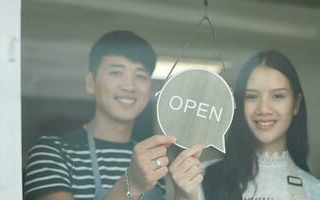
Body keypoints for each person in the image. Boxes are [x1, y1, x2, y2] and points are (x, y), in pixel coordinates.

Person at [23, 30, 203, 200]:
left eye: (140, 75)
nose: (129, 86)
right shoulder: (51, 153)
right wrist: (131, 183)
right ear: (90, 83)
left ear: (149, 89)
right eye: (116, 72)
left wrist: (183, 195)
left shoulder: (154, 159)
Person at [200, 50, 320, 199]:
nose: (263, 109)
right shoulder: (202, 177)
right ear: (240, 104)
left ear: (296, 104)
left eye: (278, 96)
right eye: (252, 96)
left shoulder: (314, 190)